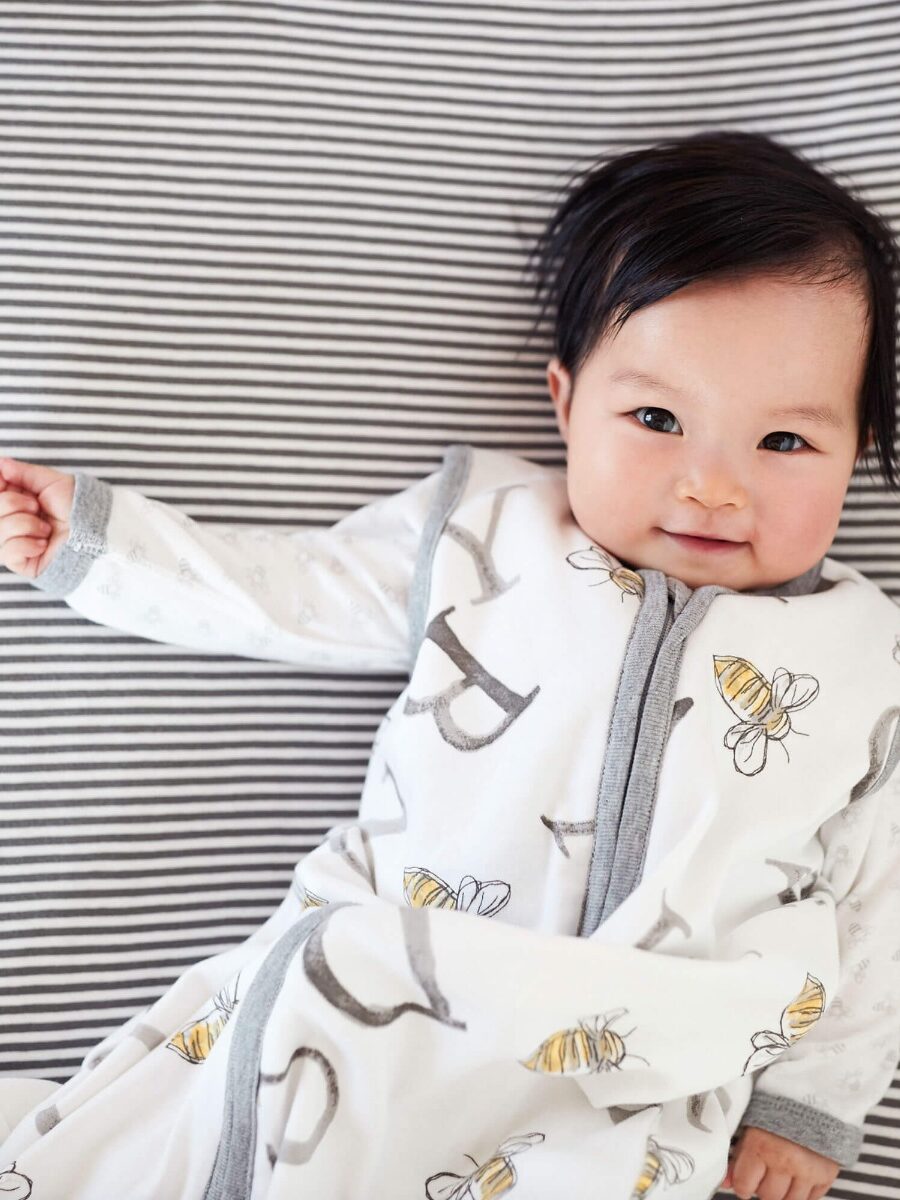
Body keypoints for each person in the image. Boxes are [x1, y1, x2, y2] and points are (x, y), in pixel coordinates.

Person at [0, 128, 898, 1200]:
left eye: (785, 443)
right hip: (399, 984)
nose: (711, 485)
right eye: (656, 418)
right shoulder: (491, 538)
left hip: (648, 1057)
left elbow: (872, 905)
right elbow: (297, 591)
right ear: (566, 403)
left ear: (858, 448)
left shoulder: (863, 655)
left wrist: (812, 1109)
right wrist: (104, 549)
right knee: (184, 1139)